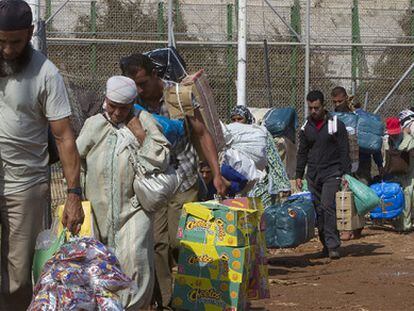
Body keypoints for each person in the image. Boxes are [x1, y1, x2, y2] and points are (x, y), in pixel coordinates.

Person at [120, 53, 226, 310]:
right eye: (134, 85)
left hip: (183, 177)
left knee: (180, 241)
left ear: (155, 74)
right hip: (152, 183)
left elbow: (201, 133)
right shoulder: (130, 104)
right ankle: (166, 302)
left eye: (143, 82)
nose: (139, 89)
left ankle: (191, 291)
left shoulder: (179, 96)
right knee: (156, 245)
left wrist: (217, 173)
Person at [0, 1, 84, 309]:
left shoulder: (46, 73)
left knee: (17, 277)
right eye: (1, 42)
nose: (7, 49)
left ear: (31, 34)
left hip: (25, 188)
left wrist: (74, 194)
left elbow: (63, 137)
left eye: (15, 42)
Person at [77, 76, 171, 309]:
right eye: (113, 106)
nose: (117, 112)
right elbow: (76, 159)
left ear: (132, 104)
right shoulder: (94, 124)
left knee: (136, 261)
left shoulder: (144, 120)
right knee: (99, 264)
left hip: (134, 210)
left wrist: (139, 133)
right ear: (105, 101)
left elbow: (162, 156)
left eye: (124, 107)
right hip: (98, 211)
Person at [296, 90, 351, 259]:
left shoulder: (336, 125)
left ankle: (334, 245)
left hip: (332, 172)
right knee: (317, 210)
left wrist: (345, 174)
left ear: (323, 106)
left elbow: (344, 149)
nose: (313, 111)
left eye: (316, 108)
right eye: (310, 108)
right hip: (313, 174)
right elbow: (302, 152)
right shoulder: (306, 128)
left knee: (327, 207)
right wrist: (298, 174)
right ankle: (325, 245)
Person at [230, 105, 290, 208]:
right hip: (238, 183)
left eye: (240, 119)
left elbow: (273, 159)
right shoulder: (230, 135)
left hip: (260, 182)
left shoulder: (259, 134)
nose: (237, 122)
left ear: (247, 119)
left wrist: (283, 184)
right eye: (234, 120)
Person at [384, 117, 414, 232]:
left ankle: (405, 225)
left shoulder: (409, 139)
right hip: (395, 172)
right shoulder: (387, 140)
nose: (394, 135)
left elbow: (407, 151)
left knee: (407, 194)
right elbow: (387, 159)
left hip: (409, 171)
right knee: (397, 195)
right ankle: (398, 221)